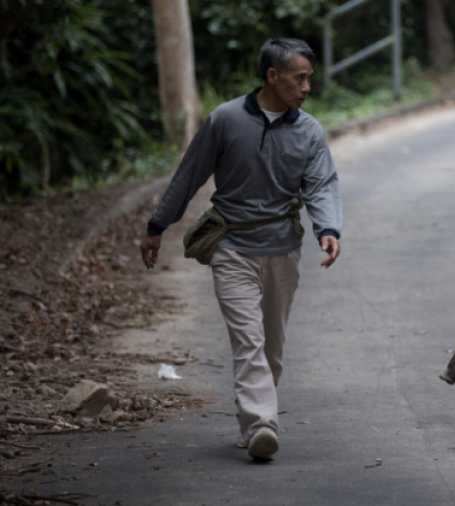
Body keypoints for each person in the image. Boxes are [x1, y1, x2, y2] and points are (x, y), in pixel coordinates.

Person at [139, 38, 343, 462]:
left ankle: (255, 417)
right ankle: (262, 425)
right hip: (232, 247)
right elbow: (189, 174)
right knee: (248, 341)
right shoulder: (225, 120)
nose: (307, 87)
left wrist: (328, 227)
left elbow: (321, 185)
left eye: (310, 79)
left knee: (271, 346)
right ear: (272, 76)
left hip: (282, 250)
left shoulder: (309, 131)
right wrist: (158, 224)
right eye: (299, 78)